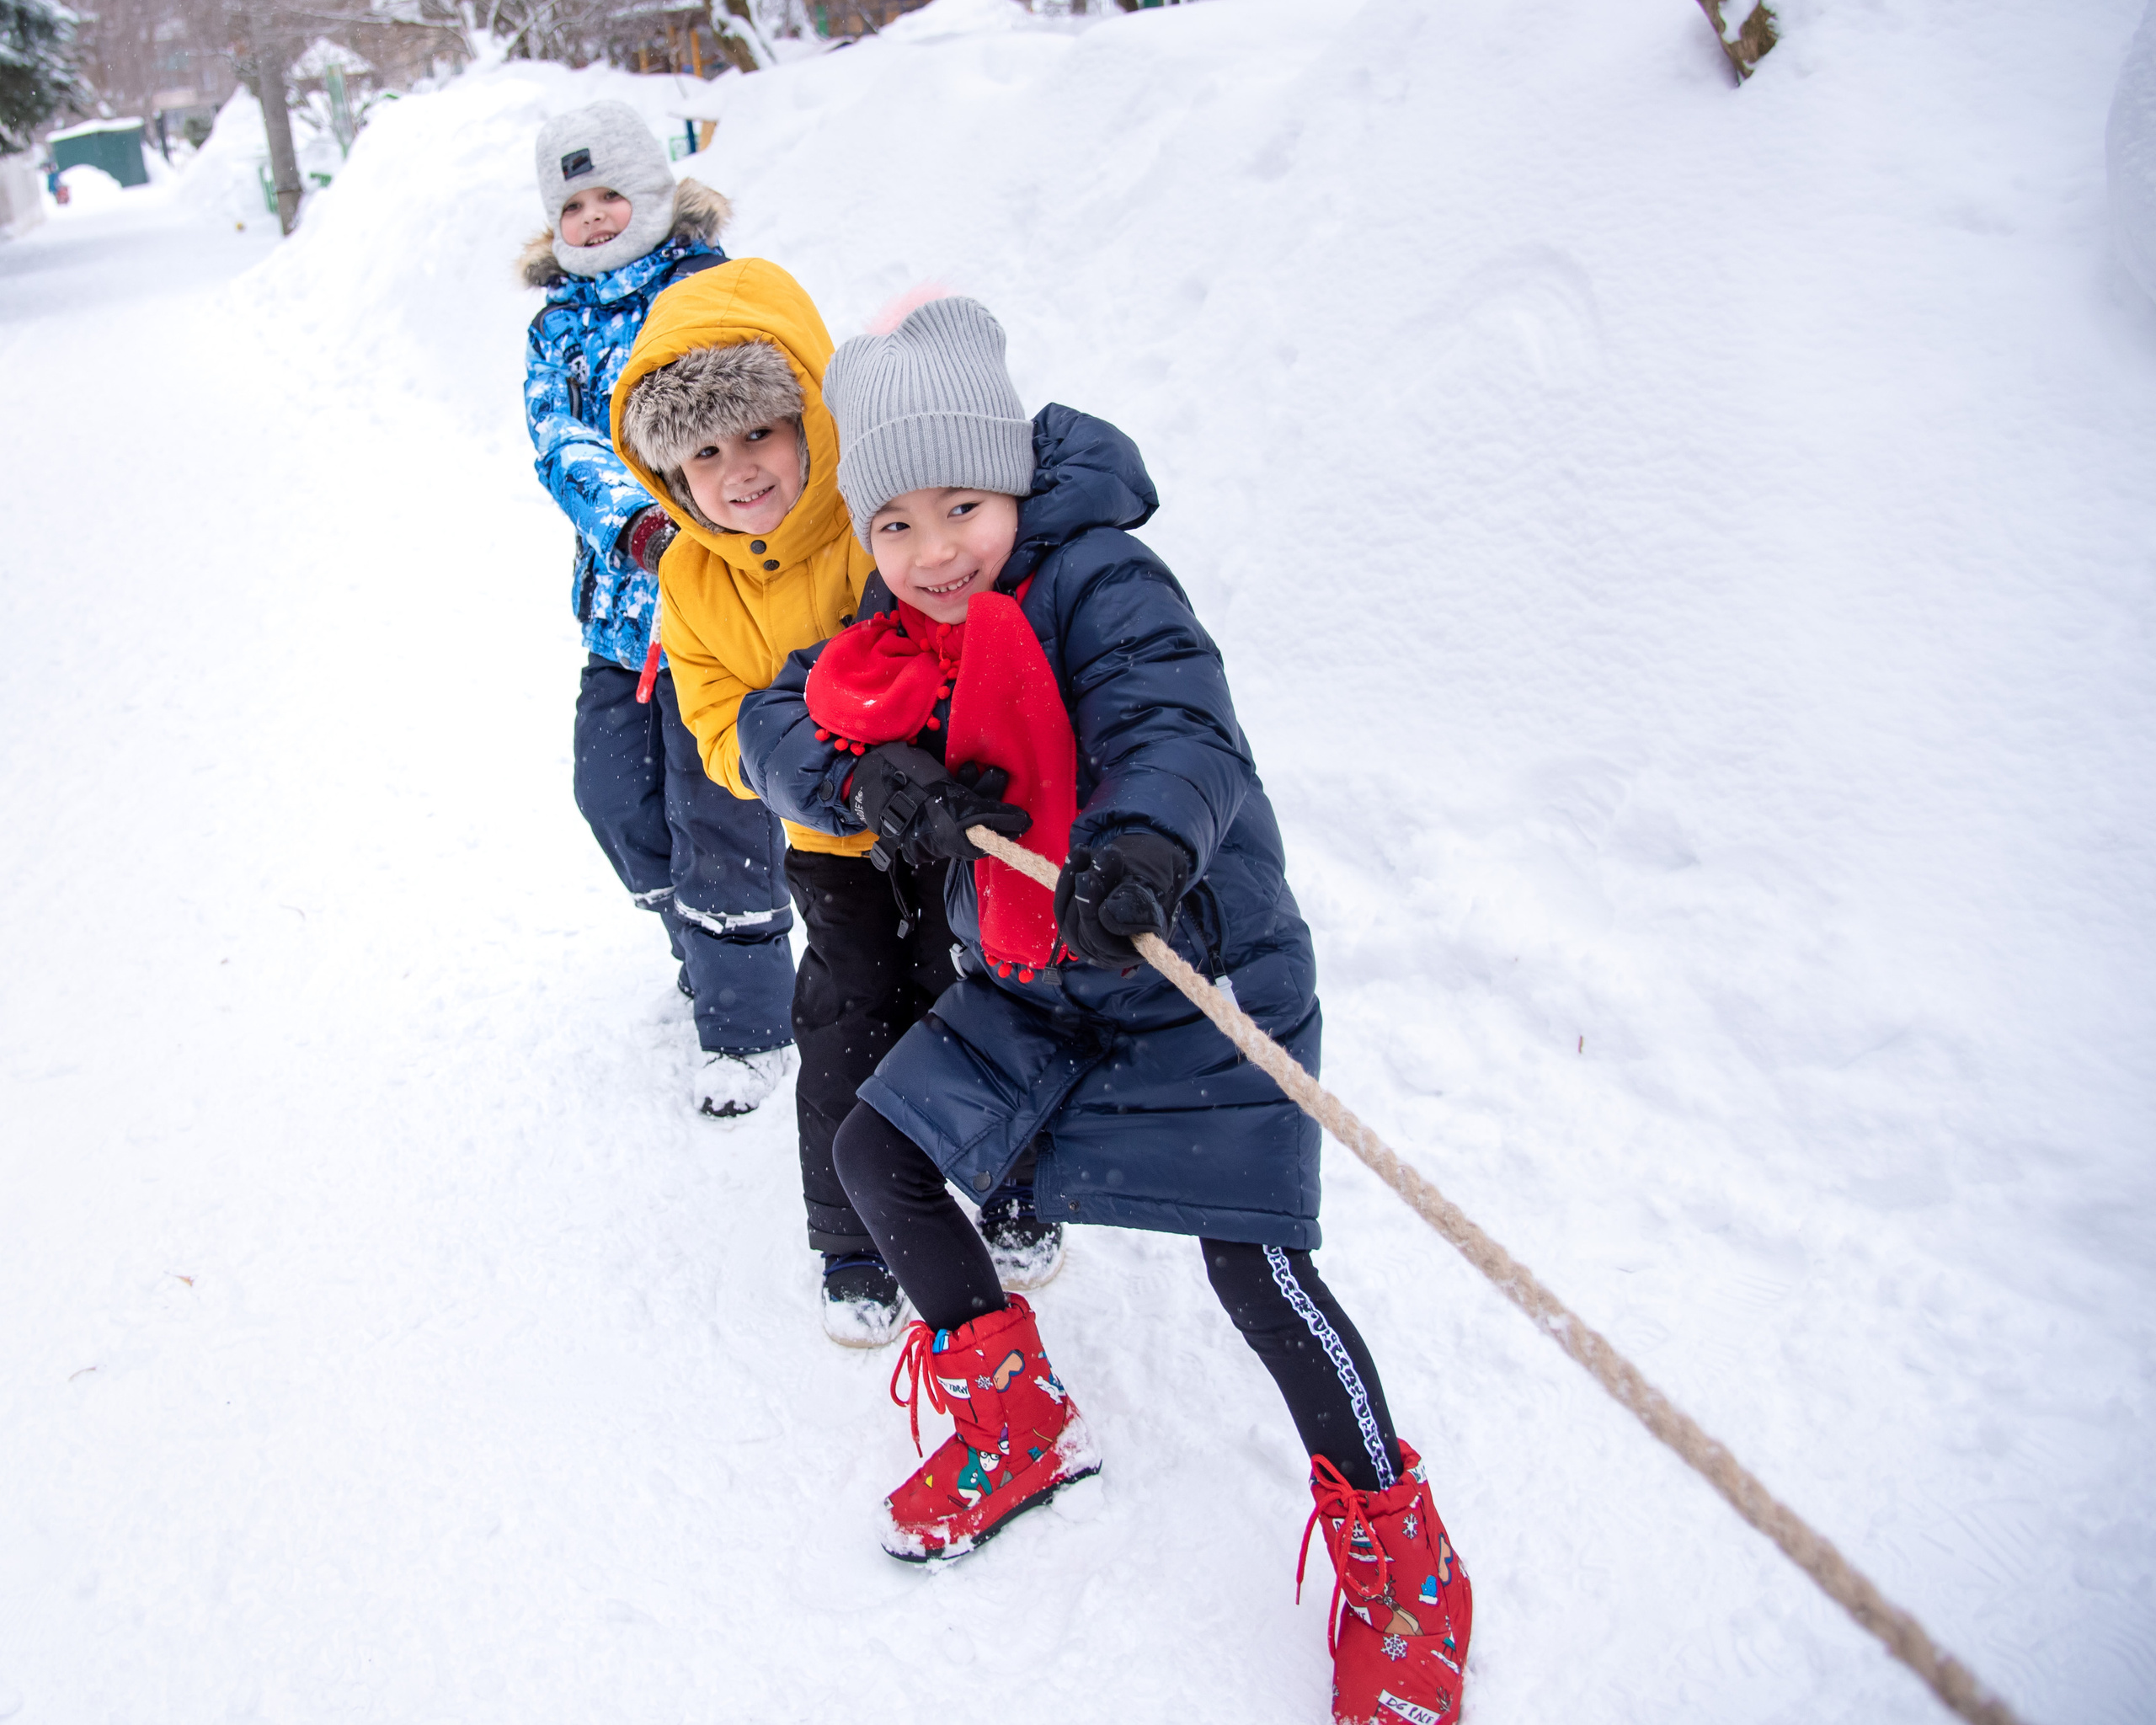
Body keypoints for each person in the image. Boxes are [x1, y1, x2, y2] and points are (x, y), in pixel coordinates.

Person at [736, 296, 1474, 1725]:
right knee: (875, 1150)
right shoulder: (897, 630)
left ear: (1014, 477)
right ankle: (1011, 1412)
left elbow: (1170, 718)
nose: (935, 549)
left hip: (1193, 968)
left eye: (963, 505)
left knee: (1258, 1269)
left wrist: (1139, 844)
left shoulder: (1102, 580)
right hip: (1034, 980)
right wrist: (864, 781)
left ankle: (1401, 1556)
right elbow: (781, 717)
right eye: (895, 522)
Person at [611, 261, 1064, 1345]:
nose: (738, 472)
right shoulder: (691, 580)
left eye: (758, 433)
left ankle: (1008, 1184)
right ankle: (853, 1238)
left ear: (809, 408)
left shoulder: (878, 512)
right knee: (847, 1020)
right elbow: (719, 725)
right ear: (668, 469)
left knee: (978, 1002)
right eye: (703, 454)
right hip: (833, 841)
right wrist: (840, 776)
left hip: (962, 827)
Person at [523, 99, 796, 1119]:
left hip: (716, 613)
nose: (592, 219)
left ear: (654, 195)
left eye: (610, 196)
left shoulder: (707, 292)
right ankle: (703, 939)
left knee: (716, 817)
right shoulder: (555, 326)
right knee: (616, 799)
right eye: (574, 203)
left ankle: (747, 1026)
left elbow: (756, 424)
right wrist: (634, 525)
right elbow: (560, 443)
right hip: (619, 613)